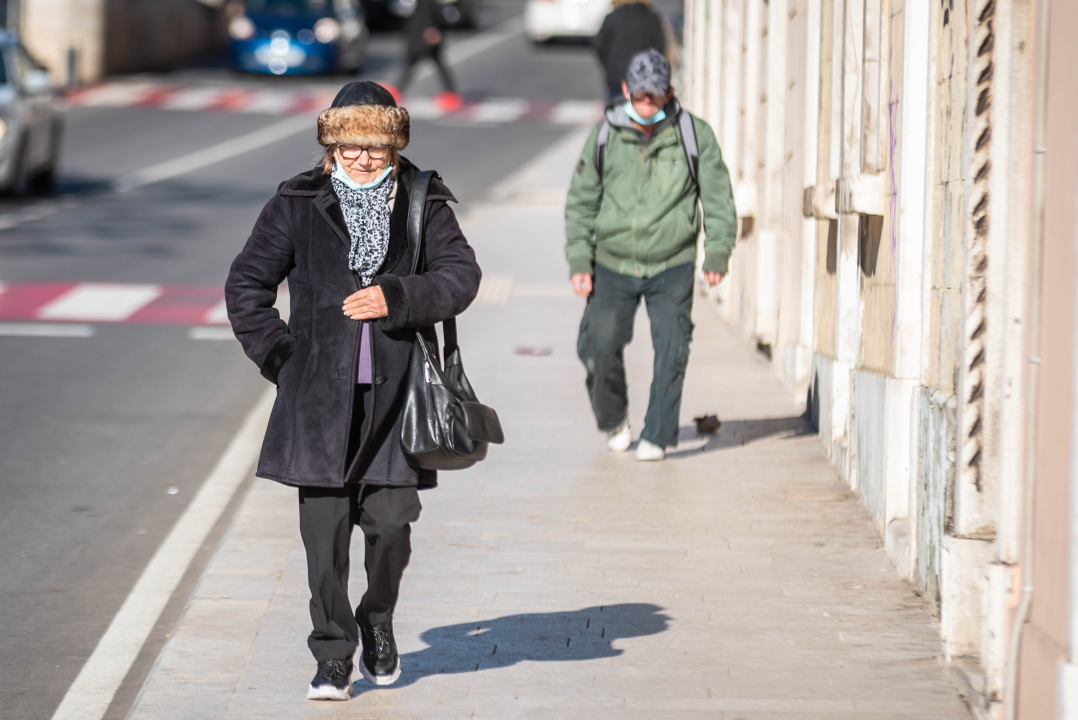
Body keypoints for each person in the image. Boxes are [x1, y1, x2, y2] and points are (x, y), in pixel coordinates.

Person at [225, 81, 481, 700]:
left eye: (376, 145)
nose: (363, 157)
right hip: (315, 400)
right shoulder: (296, 202)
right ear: (330, 143)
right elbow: (246, 287)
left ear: (394, 145)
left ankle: (378, 618)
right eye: (350, 144)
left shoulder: (424, 201)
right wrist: (284, 358)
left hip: (398, 401)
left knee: (392, 525)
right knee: (325, 542)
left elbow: (460, 276)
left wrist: (397, 296)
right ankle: (333, 654)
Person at [564, 49, 737, 462]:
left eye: (654, 97)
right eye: (639, 95)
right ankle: (614, 419)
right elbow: (581, 202)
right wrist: (579, 262)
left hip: (671, 263)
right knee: (598, 345)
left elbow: (718, 200)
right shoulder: (604, 135)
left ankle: (658, 434)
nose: (646, 104)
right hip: (612, 260)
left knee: (673, 346)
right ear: (625, 90)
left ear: (669, 94)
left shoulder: (695, 135)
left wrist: (717, 254)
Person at [389, 0, 463, 111]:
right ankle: (450, 93)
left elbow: (430, 11)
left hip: (423, 35)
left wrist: (432, 28)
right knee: (414, 63)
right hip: (421, 33)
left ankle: (451, 94)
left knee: (415, 62)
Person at [595, 0, 666, 105]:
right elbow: (660, 48)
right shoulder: (652, 18)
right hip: (644, 78)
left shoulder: (612, 18)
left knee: (615, 114)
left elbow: (600, 45)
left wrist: (610, 65)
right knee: (642, 115)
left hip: (616, 77)